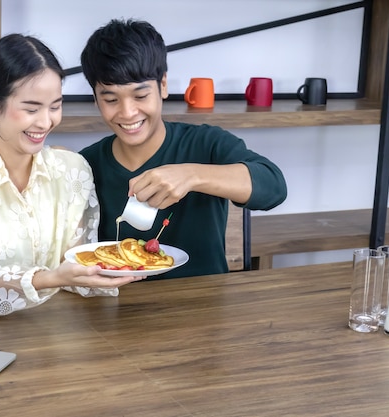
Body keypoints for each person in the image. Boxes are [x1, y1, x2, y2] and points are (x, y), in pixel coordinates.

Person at [0, 34, 141, 316]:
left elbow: (76, 264)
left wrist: (115, 267)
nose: (46, 121)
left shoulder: (72, 170)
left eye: (55, 106)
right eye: (31, 108)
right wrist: (53, 278)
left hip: (58, 328)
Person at [79, 19, 287, 279]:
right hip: (117, 311)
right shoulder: (86, 165)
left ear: (163, 86)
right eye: (111, 99)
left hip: (204, 308)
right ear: (96, 99)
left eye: (141, 96)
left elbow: (274, 187)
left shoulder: (207, 144)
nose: (128, 112)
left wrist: (192, 176)